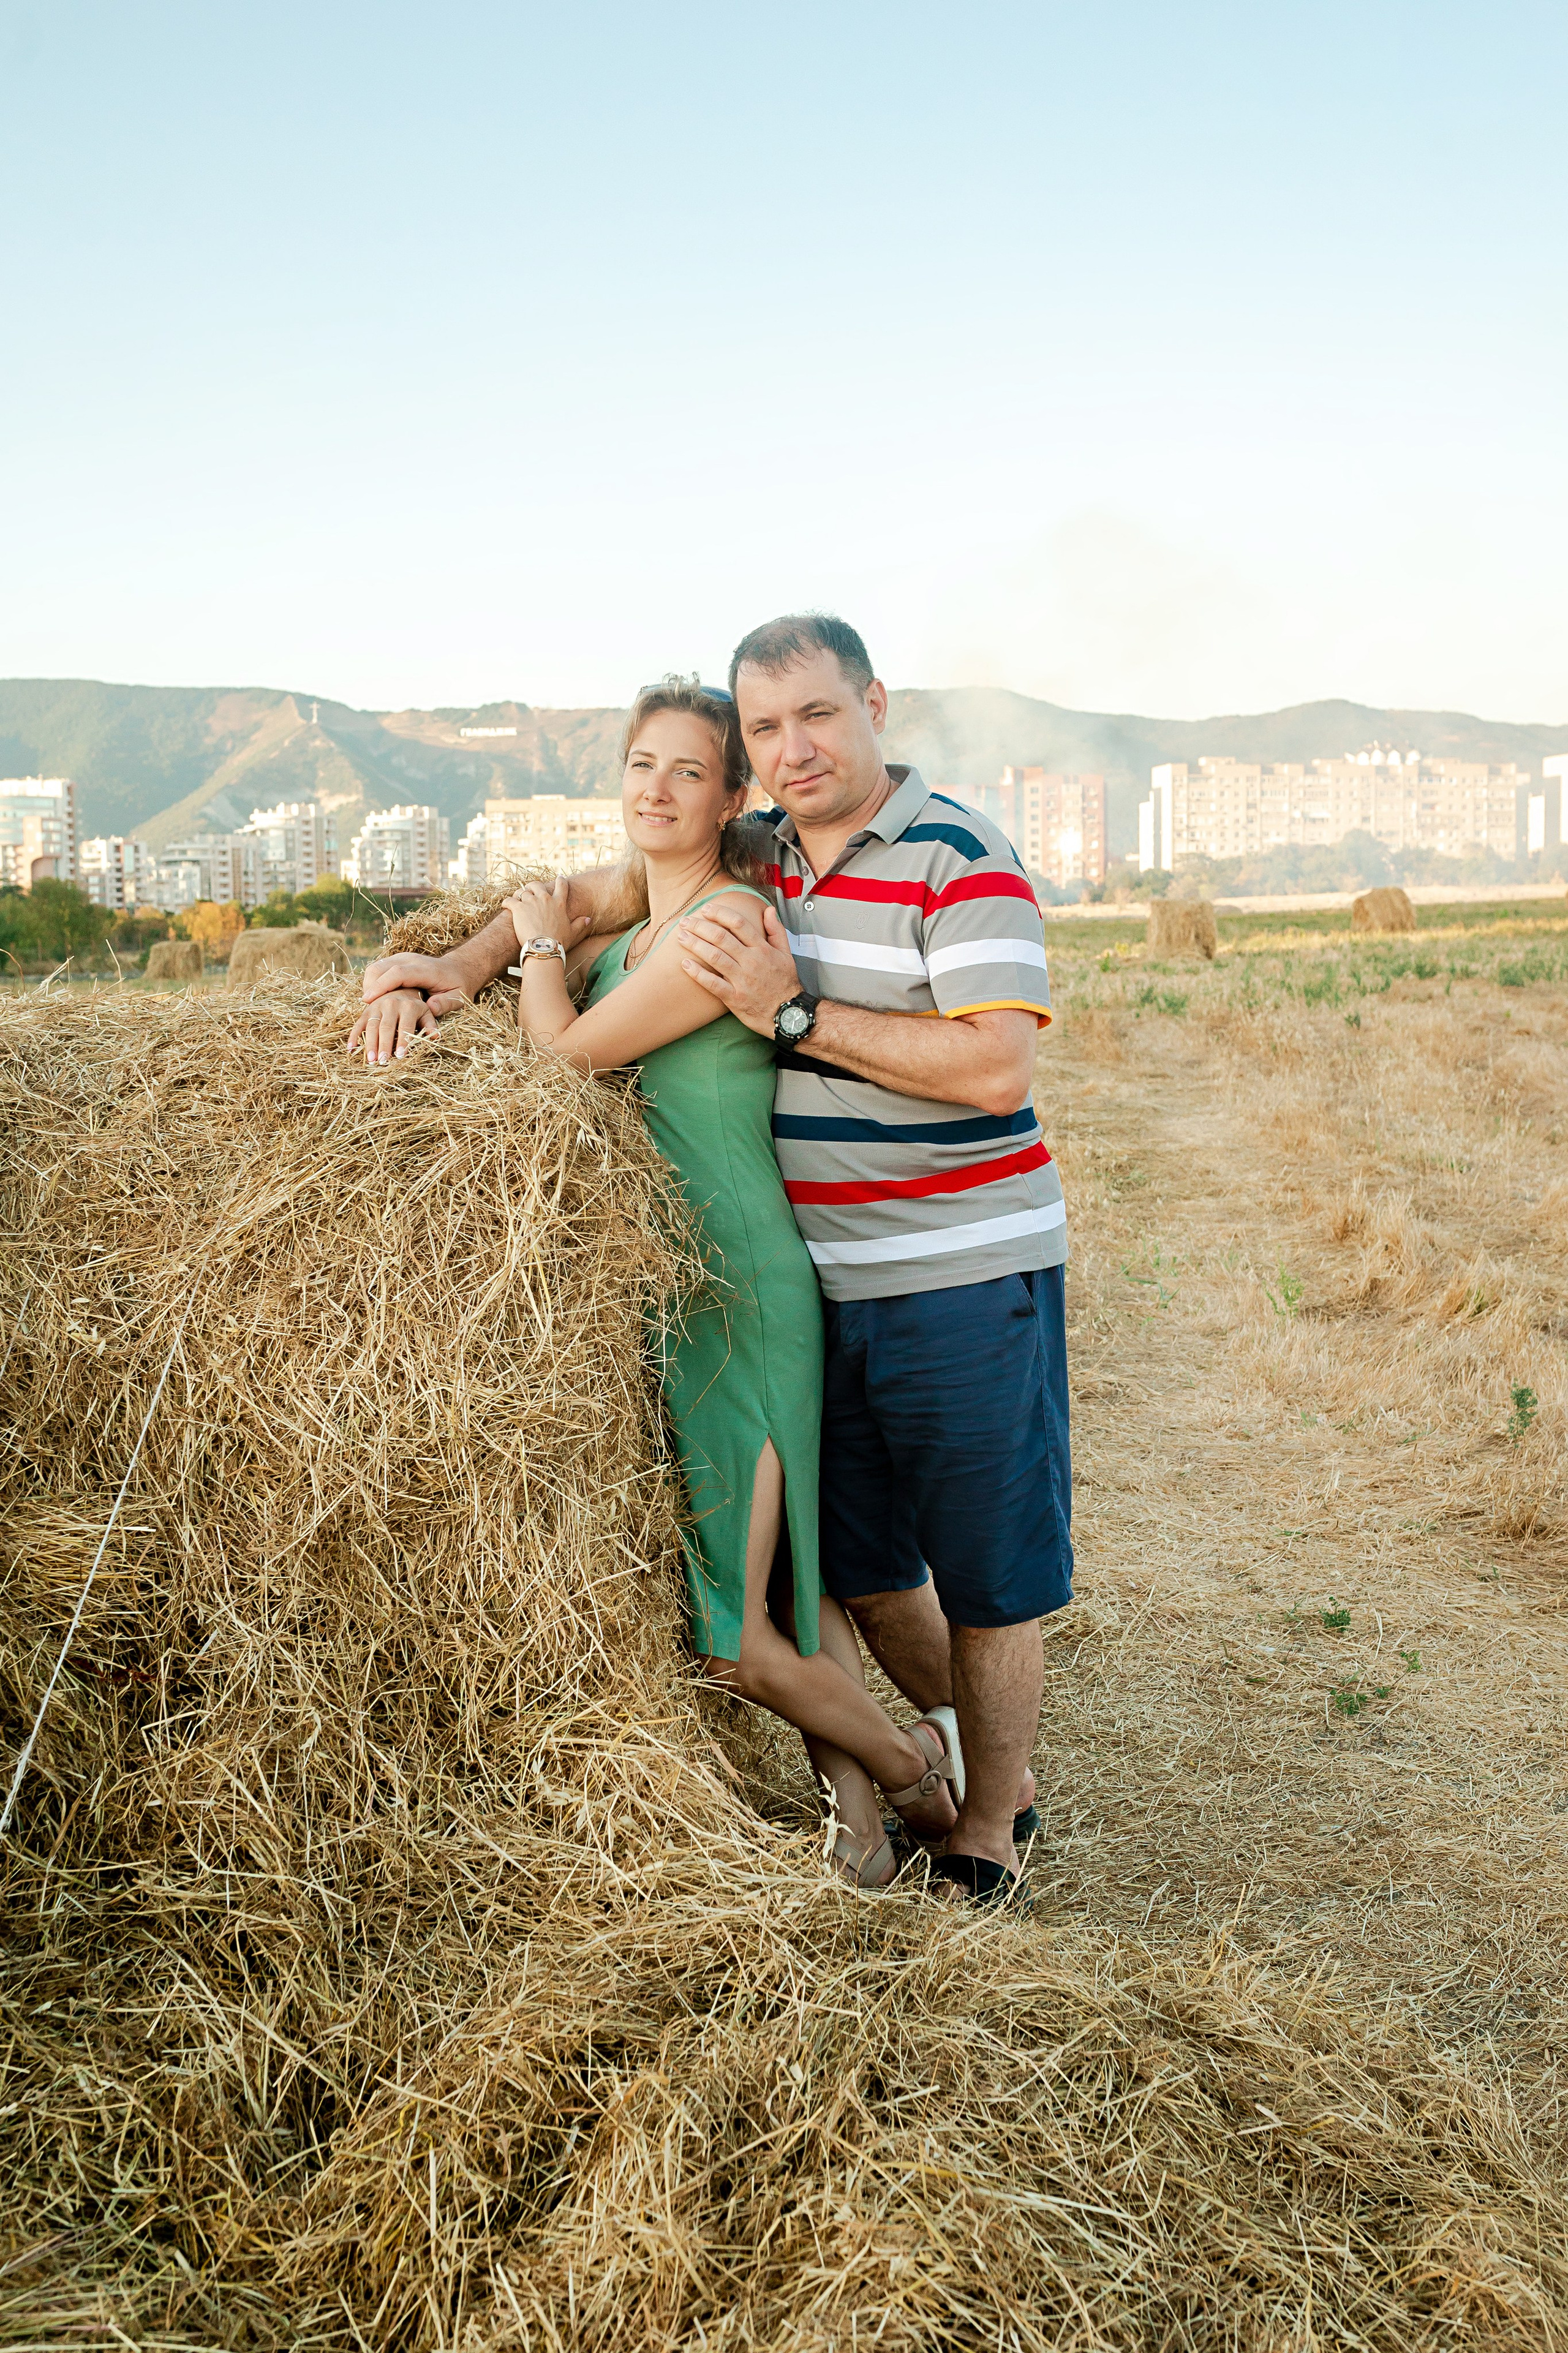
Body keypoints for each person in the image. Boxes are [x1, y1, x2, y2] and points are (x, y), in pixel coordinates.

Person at [356, 618, 1072, 1907]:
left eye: (814, 717)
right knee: (846, 1565)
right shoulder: (763, 855)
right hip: (805, 1267)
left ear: (871, 706)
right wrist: (455, 963)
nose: (791, 747)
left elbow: (994, 1064)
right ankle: (888, 1803)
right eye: (762, 728)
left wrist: (781, 1011)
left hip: (941, 1267)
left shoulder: (950, 857)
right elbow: (590, 898)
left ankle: (971, 1816)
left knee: (974, 1570)